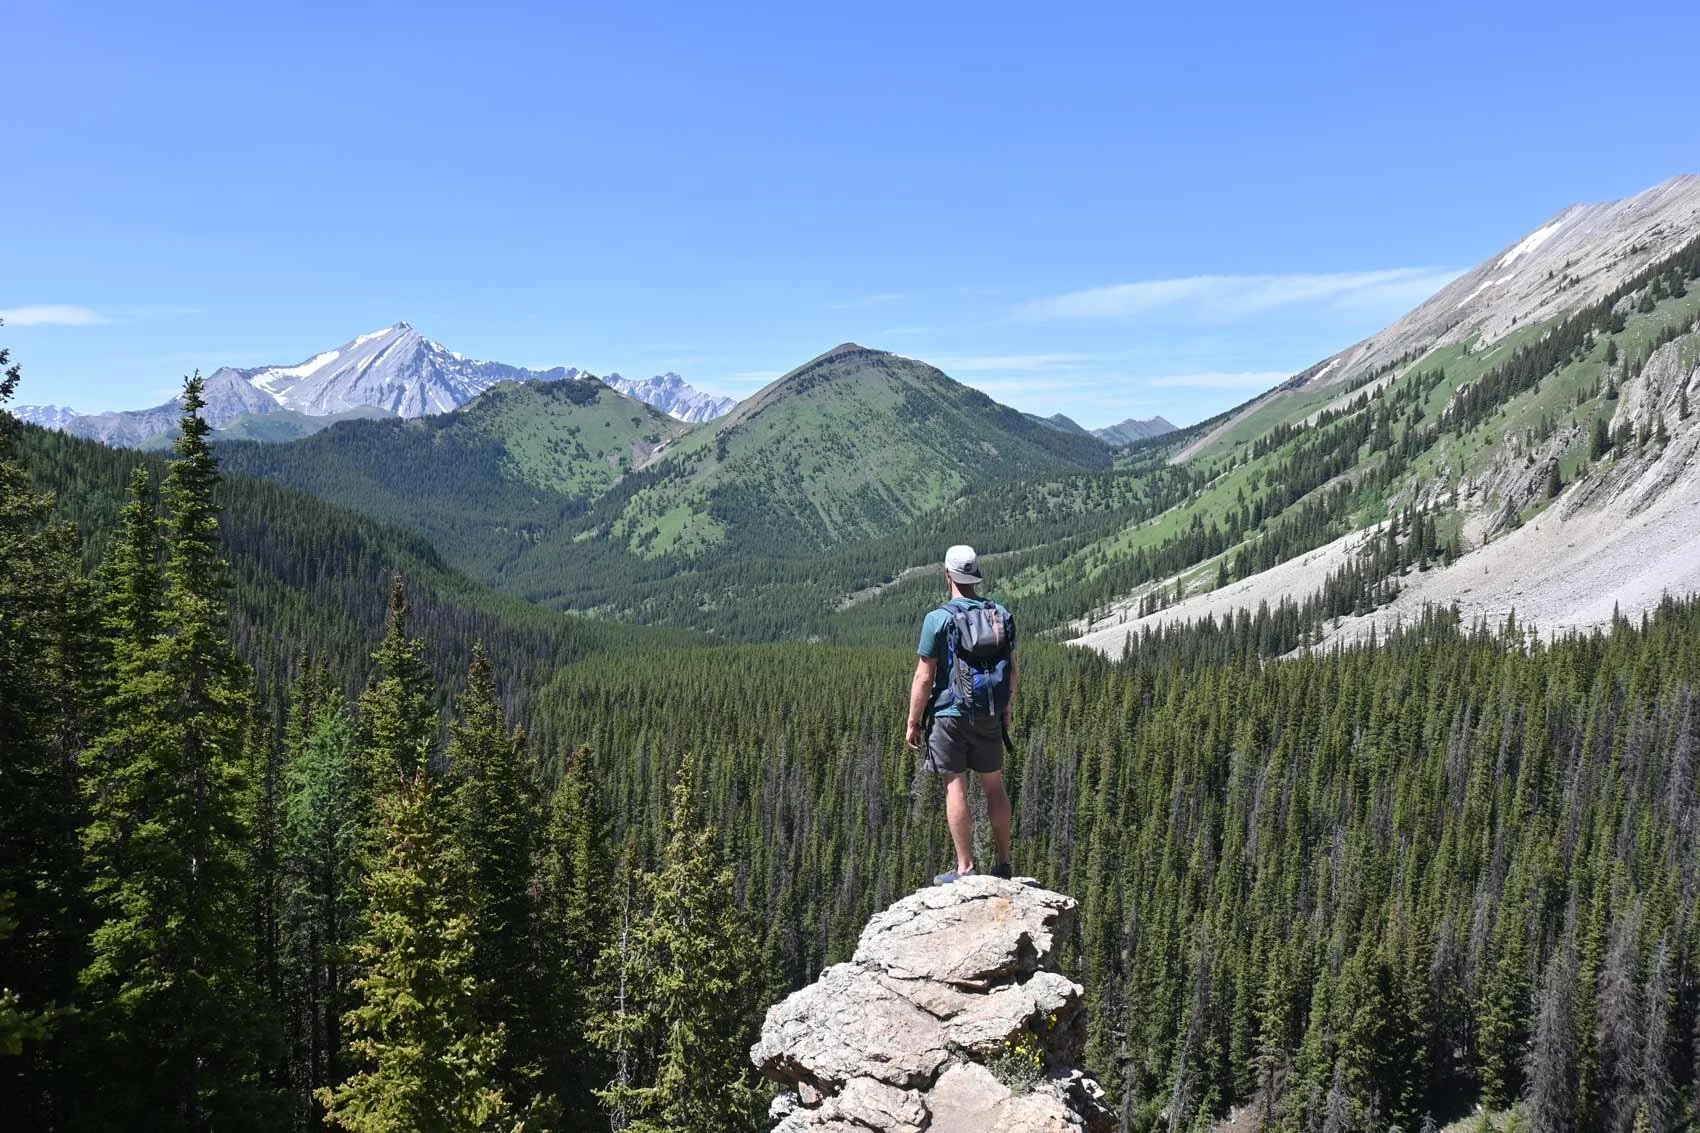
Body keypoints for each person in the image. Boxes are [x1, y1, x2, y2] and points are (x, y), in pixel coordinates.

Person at [905, 544, 1017, 884]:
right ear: (976, 576)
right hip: (989, 712)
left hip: (949, 714)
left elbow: (925, 676)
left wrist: (913, 721)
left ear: (948, 575)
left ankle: (965, 868)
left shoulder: (938, 619)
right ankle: (1004, 863)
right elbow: (1012, 670)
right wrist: (1006, 709)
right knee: (994, 787)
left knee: (955, 785)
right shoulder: (1000, 615)